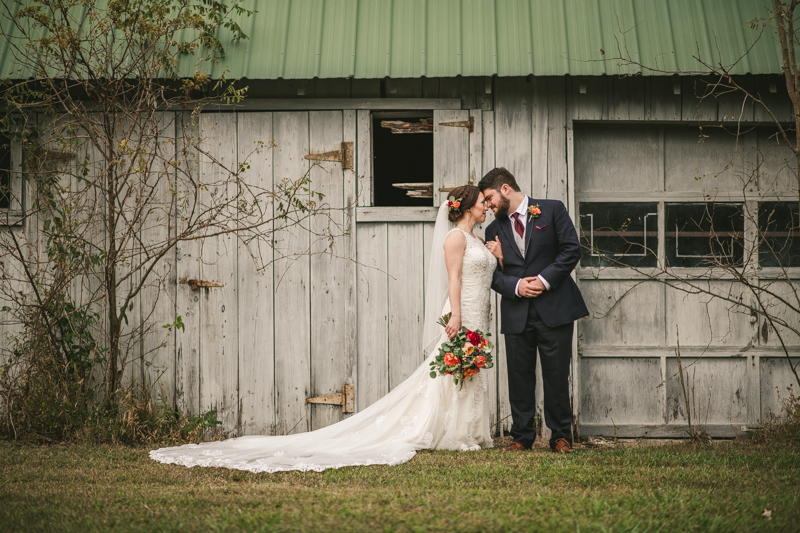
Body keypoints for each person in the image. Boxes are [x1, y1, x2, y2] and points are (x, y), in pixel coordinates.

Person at [150, 185, 500, 473]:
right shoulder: (455, 238)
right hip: (460, 312)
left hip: (477, 312)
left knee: (466, 370)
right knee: (450, 371)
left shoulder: (477, 241)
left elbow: (481, 275)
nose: (487, 207)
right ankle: (453, 433)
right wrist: (455, 314)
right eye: (482, 203)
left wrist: (495, 256)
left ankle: (467, 430)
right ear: (466, 207)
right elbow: (453, 279)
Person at [479, 168, 589, 454]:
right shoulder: (493, 230)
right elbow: (490, 275)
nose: (488, 206)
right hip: (517, 312)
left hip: (555, 308)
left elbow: (570, 250)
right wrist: (516, 286)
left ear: (505, 189)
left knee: (556, 374)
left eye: (489, 198)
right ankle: (522, 437)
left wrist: (542, 281)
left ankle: (561, 436)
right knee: (519, 376)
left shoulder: (552, 210)